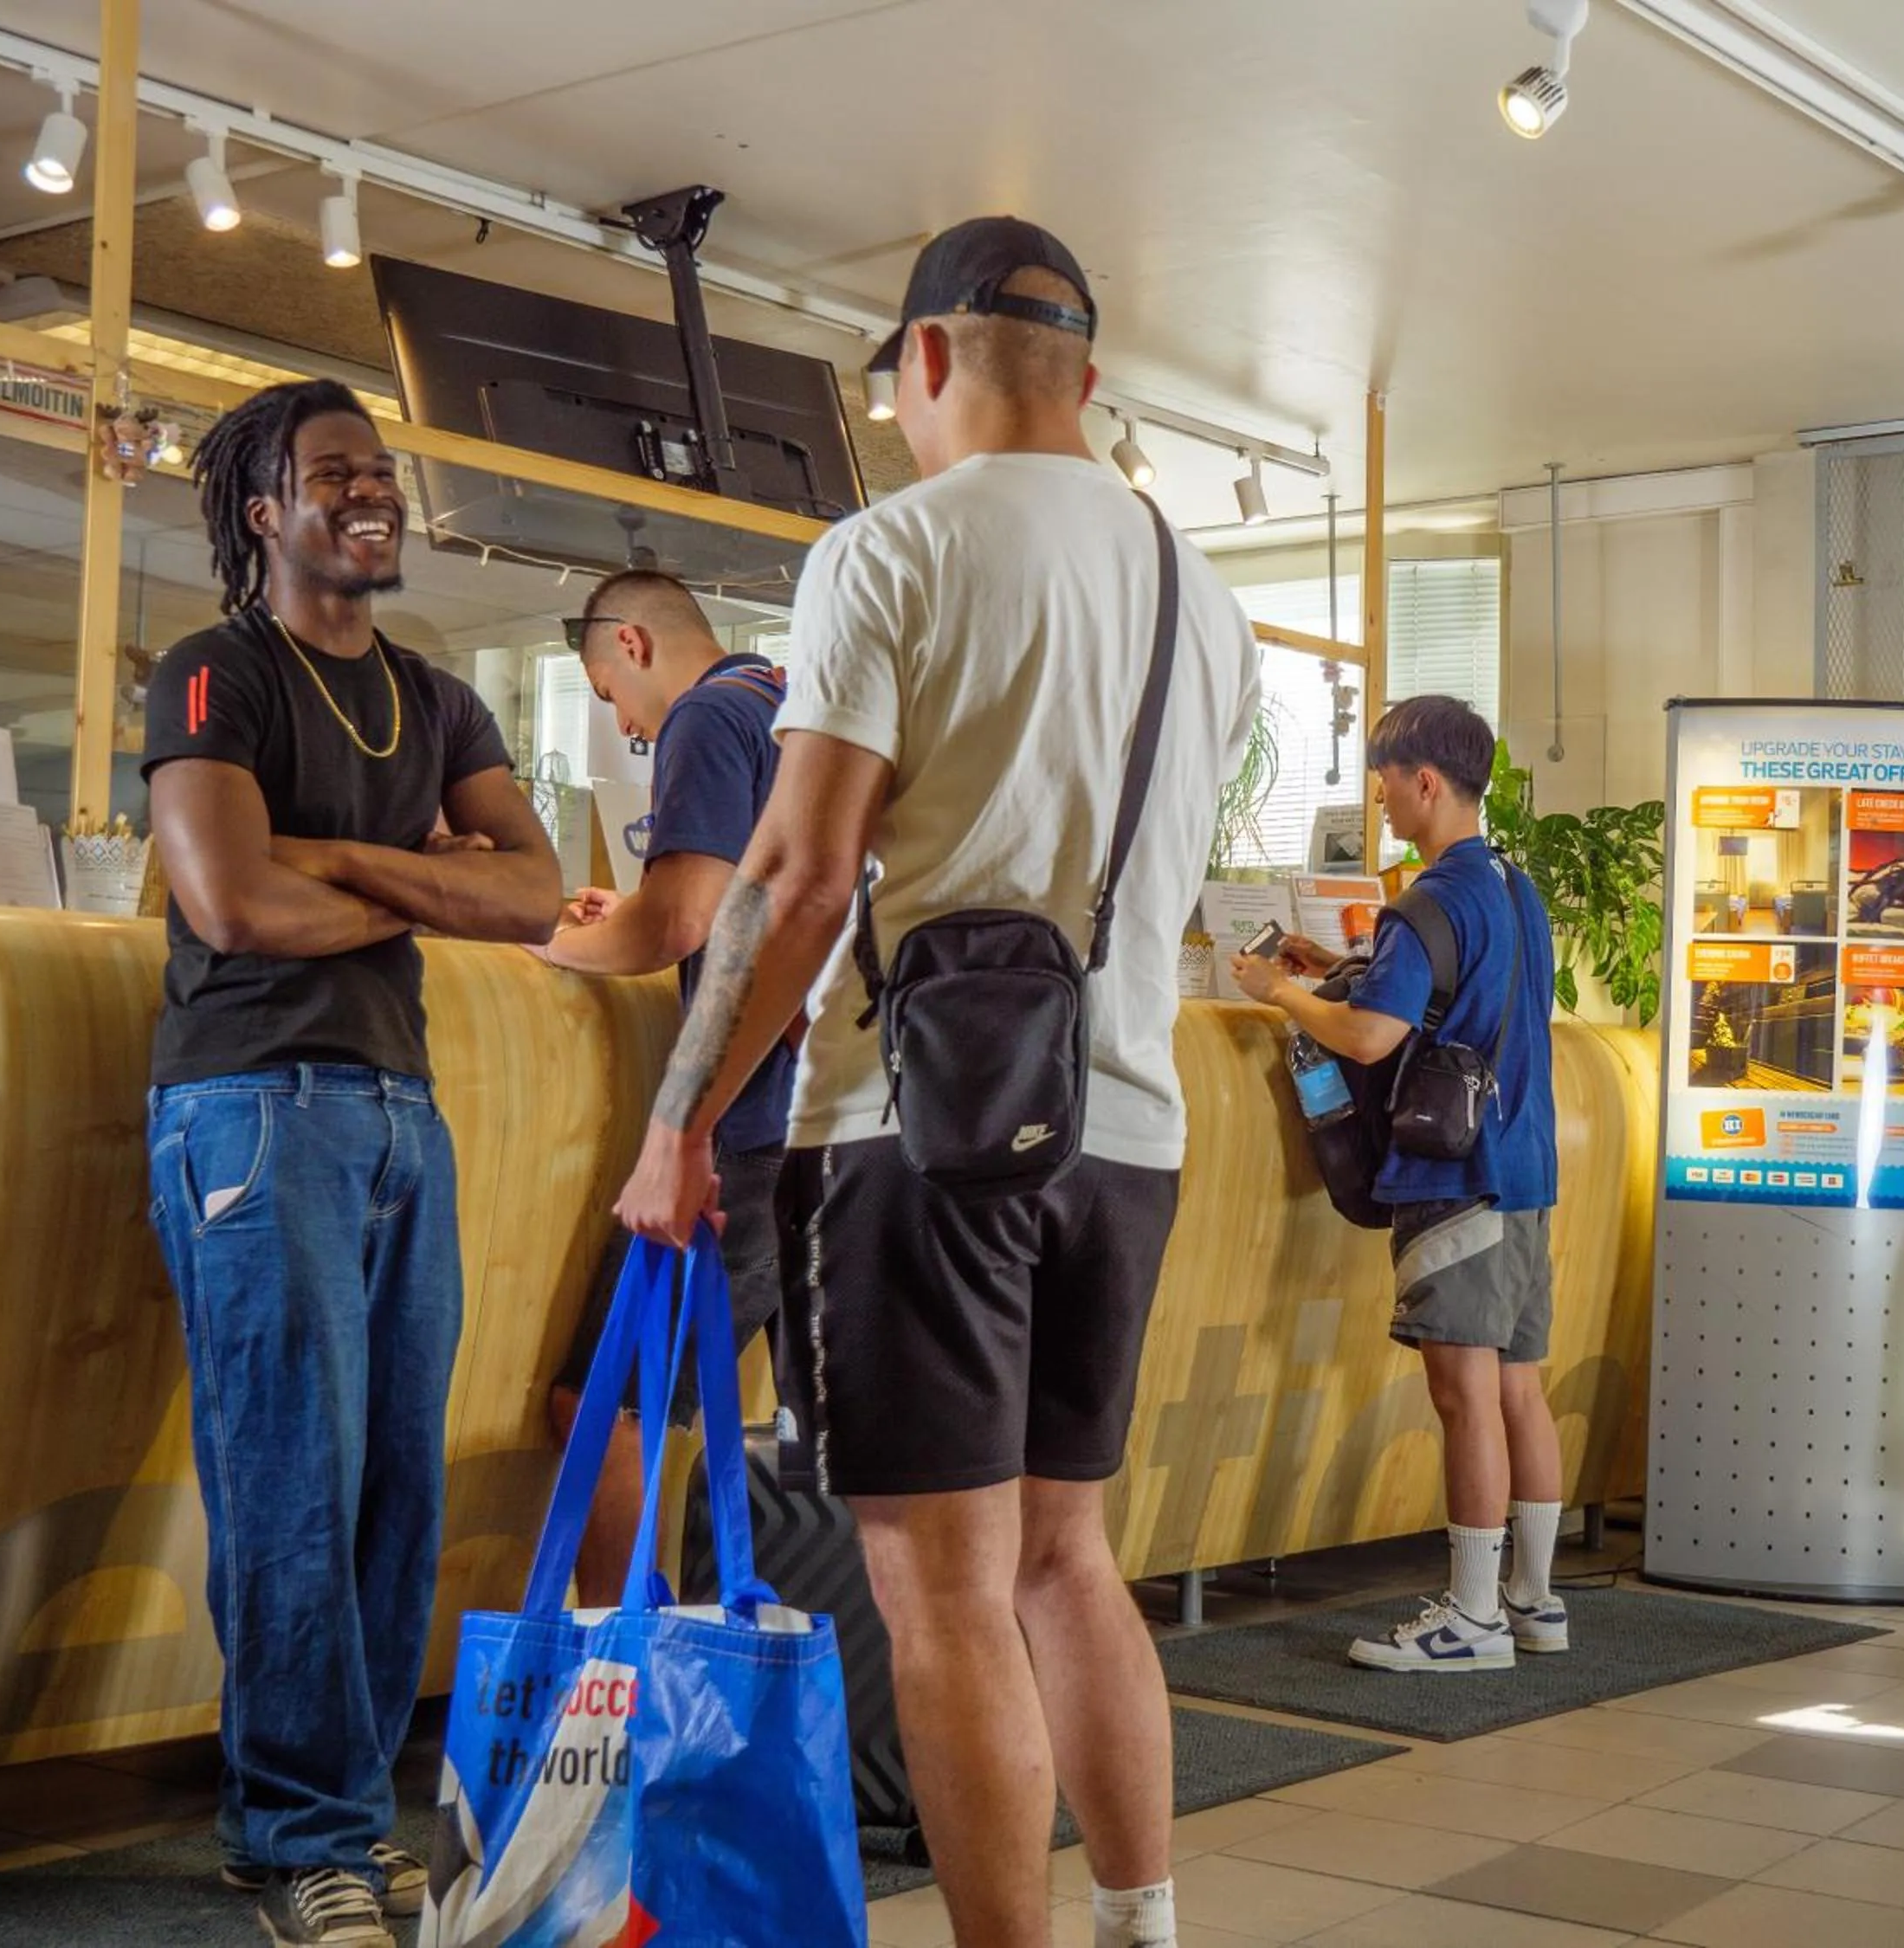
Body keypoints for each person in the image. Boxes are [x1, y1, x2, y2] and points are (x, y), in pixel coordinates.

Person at [611, 216, 1261, 1948]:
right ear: (1092, 380)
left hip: (916, 1132)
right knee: (1069, 1559)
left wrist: (679, 1120)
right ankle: (1140, 1923)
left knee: (944, 1592)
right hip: (1124, 1130)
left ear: (919, 364)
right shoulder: (1212, 603)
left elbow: (799, 875)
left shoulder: (886, 553)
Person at [142, 379, 563, 1948]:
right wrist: (428, 883)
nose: (372, 494)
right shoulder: (214, 677)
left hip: (398, 1111)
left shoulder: (438, 700)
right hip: (250, 1109)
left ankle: (334, 1819)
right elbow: (233, 907)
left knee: (395, 1483)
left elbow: (538, 896)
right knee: (291, 1483)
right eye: (337, 475)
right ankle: (301, 1833)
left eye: (382, 473)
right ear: (267, 511)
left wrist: (340, 862)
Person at [1230, 694, 1565, 1674]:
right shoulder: (1512, 887)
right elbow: (1464, 1003)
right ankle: (1533, 1603)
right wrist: (1339, 966)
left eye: (1384, 776)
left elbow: (1372, 1038)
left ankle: (1471, 1622)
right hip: (1525, 1170)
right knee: (1516, 1392)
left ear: (1426, 780)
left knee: (1463, 1396)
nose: (1377, 795)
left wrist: (1282, 992)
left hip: (1452, 1175)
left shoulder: (1427, 898)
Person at [534, 568, 793, 1603]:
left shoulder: (706, 719)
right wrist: (634, 906)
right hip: (840, 1117)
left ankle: (619, 1696)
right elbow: (736, 902)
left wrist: (536, 931)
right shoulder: (786, 707)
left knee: (606, 1407)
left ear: (631, 646)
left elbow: (685, 923)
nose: (627, 728)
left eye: (607, 696)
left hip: (752, 1123)